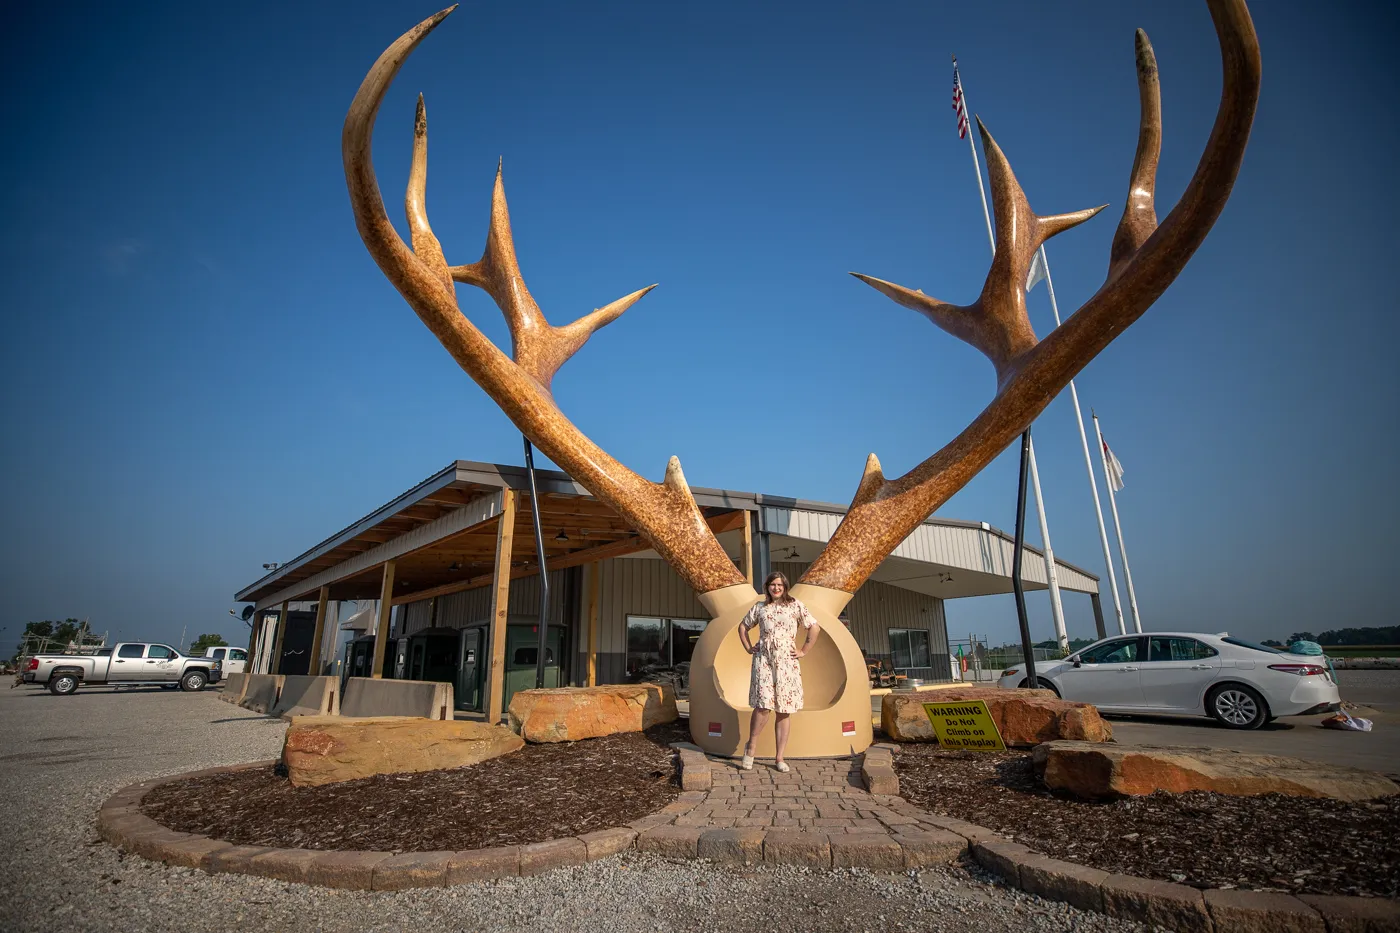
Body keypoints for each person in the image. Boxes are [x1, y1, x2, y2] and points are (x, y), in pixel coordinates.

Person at [738, 570, 820, 771]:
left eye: (780, 585)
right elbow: (743, 627)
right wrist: (749, 648)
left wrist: (803, 650)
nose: (776, 588)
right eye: (772, 585)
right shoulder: (760, 607)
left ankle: (780, 757)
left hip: (786, 662)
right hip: (764, 660)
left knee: (784, 710)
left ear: (785, 587)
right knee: (763, 706)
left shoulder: (795, 605)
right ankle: (751, 748)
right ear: (767, 587)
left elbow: (814, 627)